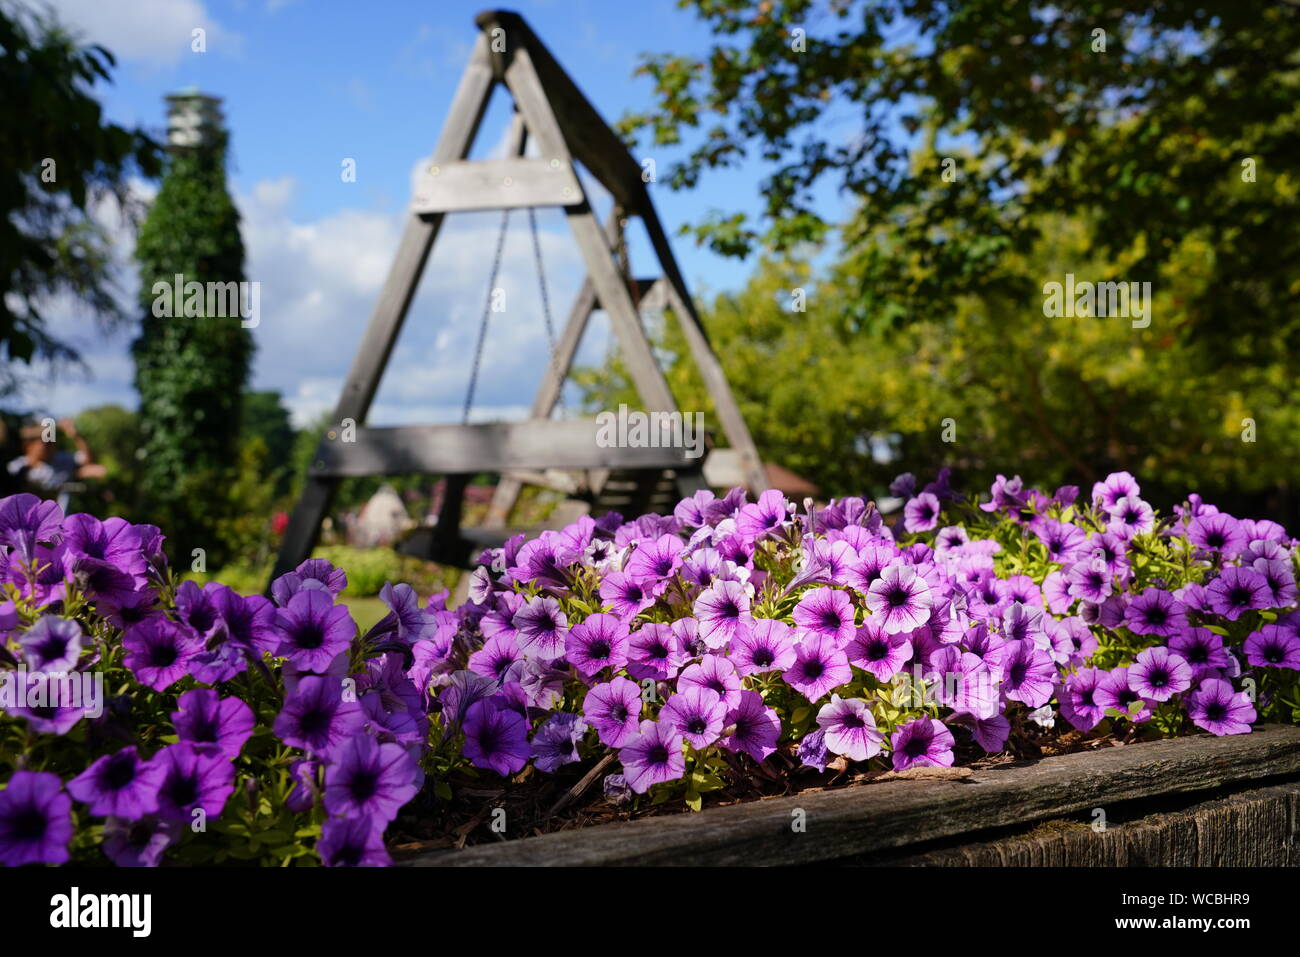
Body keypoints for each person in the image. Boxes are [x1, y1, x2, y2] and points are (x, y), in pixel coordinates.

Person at [6, 418, 107, 510]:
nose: (50, 446)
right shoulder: (18, 466)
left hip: (59, 520)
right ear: (28, 446)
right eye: (45, 442)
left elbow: (87, 459)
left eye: (52, 442)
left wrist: (76, 436)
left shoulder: (61, 459)